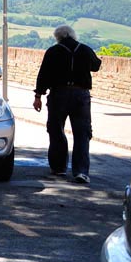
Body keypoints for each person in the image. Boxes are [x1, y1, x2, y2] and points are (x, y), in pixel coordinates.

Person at [32, 25, 102, 183]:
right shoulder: (84, 49)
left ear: (58, 37)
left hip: (59, 94)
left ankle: (59, 168)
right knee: (82, 134)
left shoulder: (53, 51)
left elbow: (43, 75)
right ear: (72, 35)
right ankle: (81, 171)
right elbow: (96, 66)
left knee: (56, 130)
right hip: (81, 95)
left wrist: (38, 96)